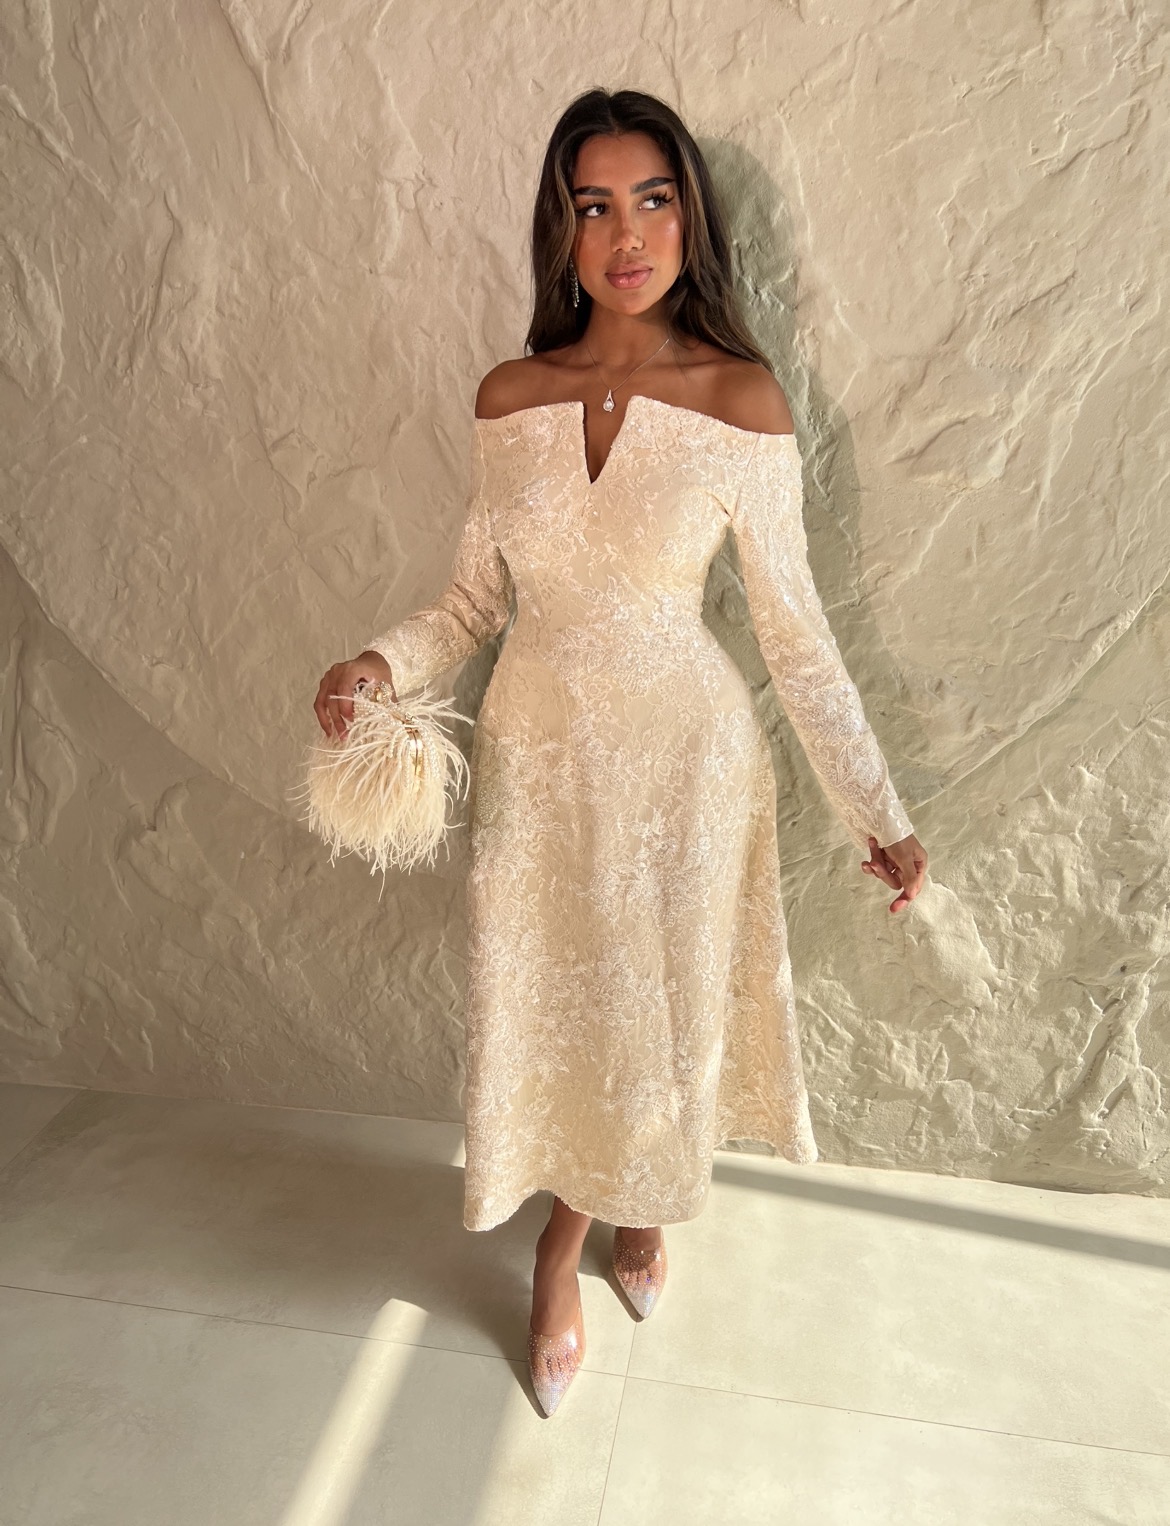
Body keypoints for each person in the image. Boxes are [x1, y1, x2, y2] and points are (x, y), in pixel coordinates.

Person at [313, 87, 929, 1417]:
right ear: (563, 231)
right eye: (593, 206)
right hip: (538, 759)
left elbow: (796, 638)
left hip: (685, 765)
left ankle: (597, 1230)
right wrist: (379, 665)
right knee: (553, 1003)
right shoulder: (511, 396)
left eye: (652, 199)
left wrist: (874, 810)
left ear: (689, 217)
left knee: (655, 1006)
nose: (626, 233)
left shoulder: (740, 399)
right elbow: (472, 603)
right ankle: (596, 1222)